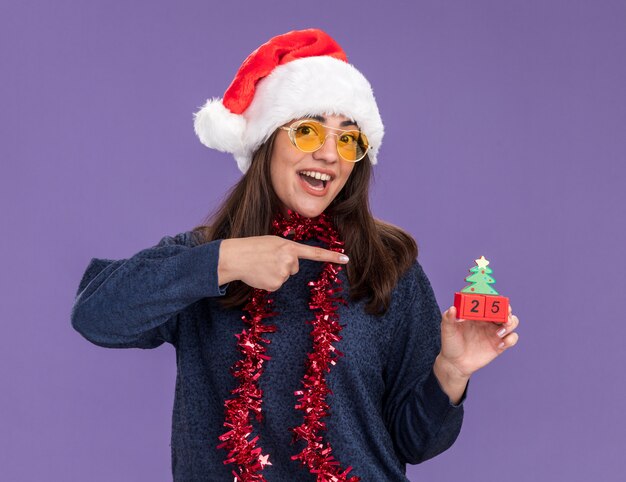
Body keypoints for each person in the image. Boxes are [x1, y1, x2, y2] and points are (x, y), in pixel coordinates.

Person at [71, 29, 520, 482]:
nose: (329, 154)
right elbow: (96, 316)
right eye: (307, 132)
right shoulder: (203, 258)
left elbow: (415, 443)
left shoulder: (386, 266)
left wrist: (450, 371)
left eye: (348, 140)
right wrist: (224, 262)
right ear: (267, 141)